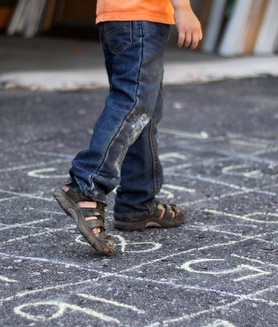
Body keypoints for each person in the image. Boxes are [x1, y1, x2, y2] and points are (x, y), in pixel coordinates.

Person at [54, 0, 203, 256]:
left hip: (118, 17)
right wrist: (183, 8)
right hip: (140, 17)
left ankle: (137, 201)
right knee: (133, 104)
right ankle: (87, 185)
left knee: (145, 110)